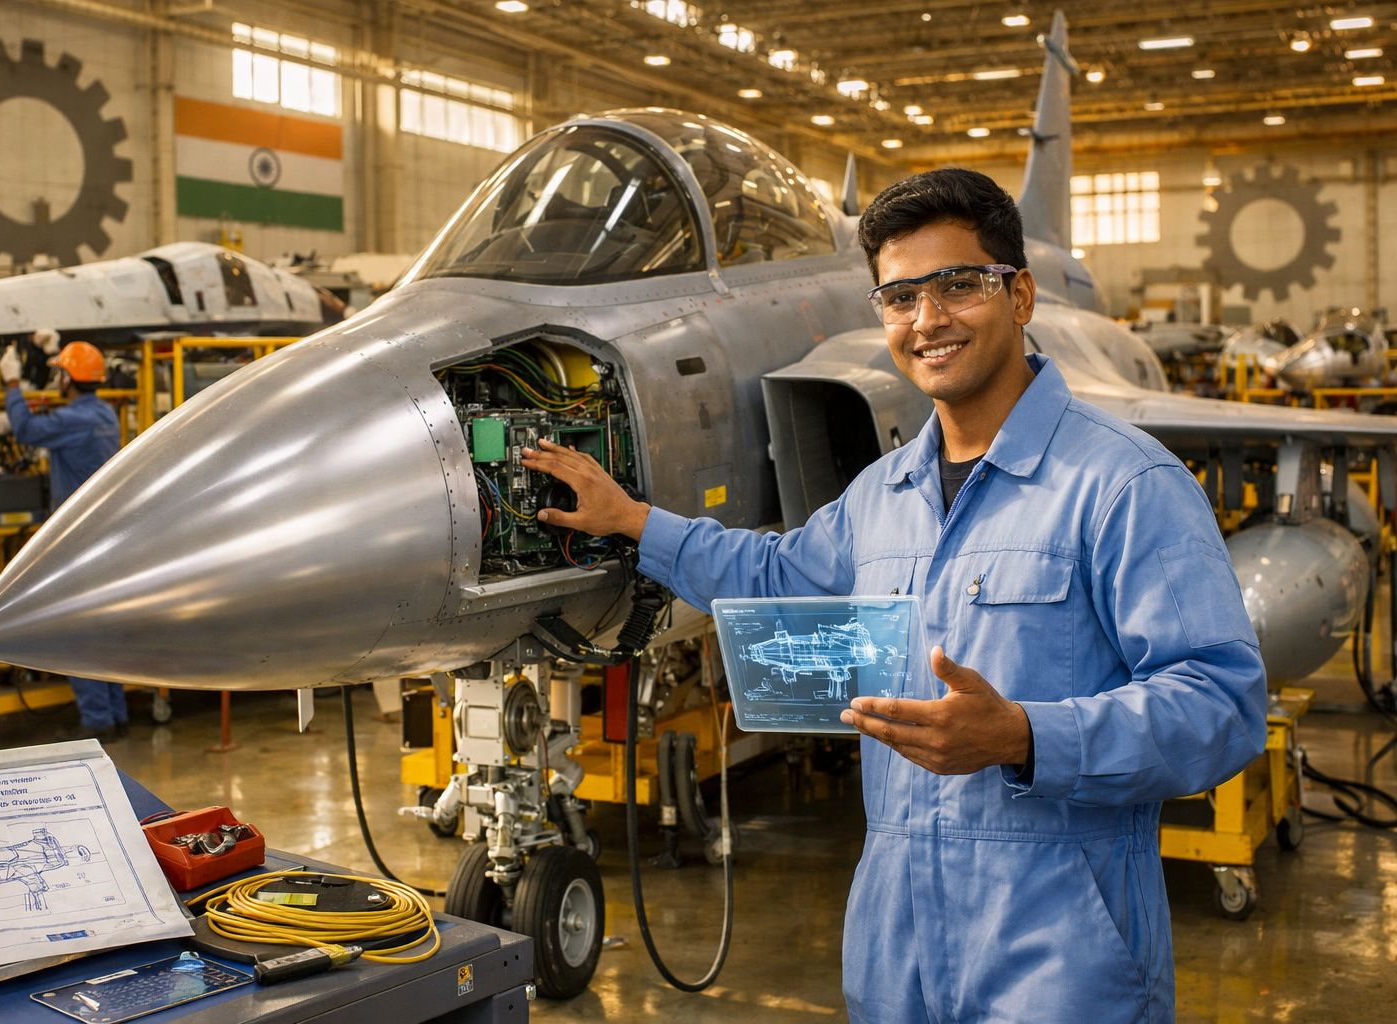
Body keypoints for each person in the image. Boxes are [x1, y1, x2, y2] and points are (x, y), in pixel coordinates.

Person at [520, 169, 1267, 1023]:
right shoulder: (884, 493)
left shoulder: (1124, 483)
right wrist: (634, 520)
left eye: (960, 286)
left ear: (1021, 295)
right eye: (901, 297)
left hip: (1063, 961)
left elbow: (1222, 704)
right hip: (895, 957)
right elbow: (777, 576)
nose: (928, 320)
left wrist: (1026, 736)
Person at [0, 338, 124, 737]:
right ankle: (116, 714)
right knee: (103, 627)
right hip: (104, 536)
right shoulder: (105, 414)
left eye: (60, 374)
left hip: (75, 541)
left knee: (77, 630)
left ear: (67, 378)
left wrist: (12, 386)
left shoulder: (73, 420)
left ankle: (98, 720)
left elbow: (26, 430)